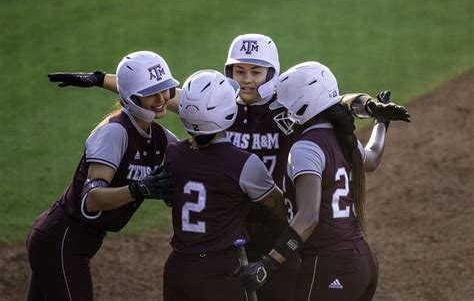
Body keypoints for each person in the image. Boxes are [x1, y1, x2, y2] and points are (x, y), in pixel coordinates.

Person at [47, 34, 410, 301]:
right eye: (239, 70)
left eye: (257, 72)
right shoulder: (216, 106)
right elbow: (158, 95)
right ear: (228, 72)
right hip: (233, 230)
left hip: (277, 230)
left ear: (273, 75)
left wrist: (365, 104)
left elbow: (331, 100)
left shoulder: (288, 107)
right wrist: (102, 79)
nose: (247, 79)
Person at [236, 61, 411, 301]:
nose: (283, 112)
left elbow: (308, 217)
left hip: (328, 266)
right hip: (361, 261)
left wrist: (269, 262)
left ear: (303, 105)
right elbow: (371, 159)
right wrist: (381, 123)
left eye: (286, 106)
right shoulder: (342, 137)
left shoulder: (305, 148)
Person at [26, 51, 178, 300]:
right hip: (61, 240)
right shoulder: (114, 132)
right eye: (152, 93)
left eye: (166, 90)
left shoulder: (160, 137)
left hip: (73, 241)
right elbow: (92, 199)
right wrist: (138, 189)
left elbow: (189, 161)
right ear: (132, 96)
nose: (162, 99)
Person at [162, 69, 287, 301]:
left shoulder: (173, 155)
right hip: (221, 271)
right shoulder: (245, 164)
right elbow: (280, 208)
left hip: (178, 268)